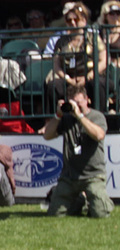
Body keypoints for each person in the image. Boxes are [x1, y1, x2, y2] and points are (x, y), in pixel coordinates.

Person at [42, 87, 111, 218]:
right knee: (54, 214)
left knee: (100, 214)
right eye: (73, 103)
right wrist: (58, 115)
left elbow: (99, 135)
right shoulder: (66, 118)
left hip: (93, 175)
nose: (76, 106)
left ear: (87, 100)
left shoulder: (97, 116)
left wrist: (79, 116)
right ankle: (80, 201)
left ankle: (100, 202)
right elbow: (47, 135)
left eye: (79, 102)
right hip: (70, 176)